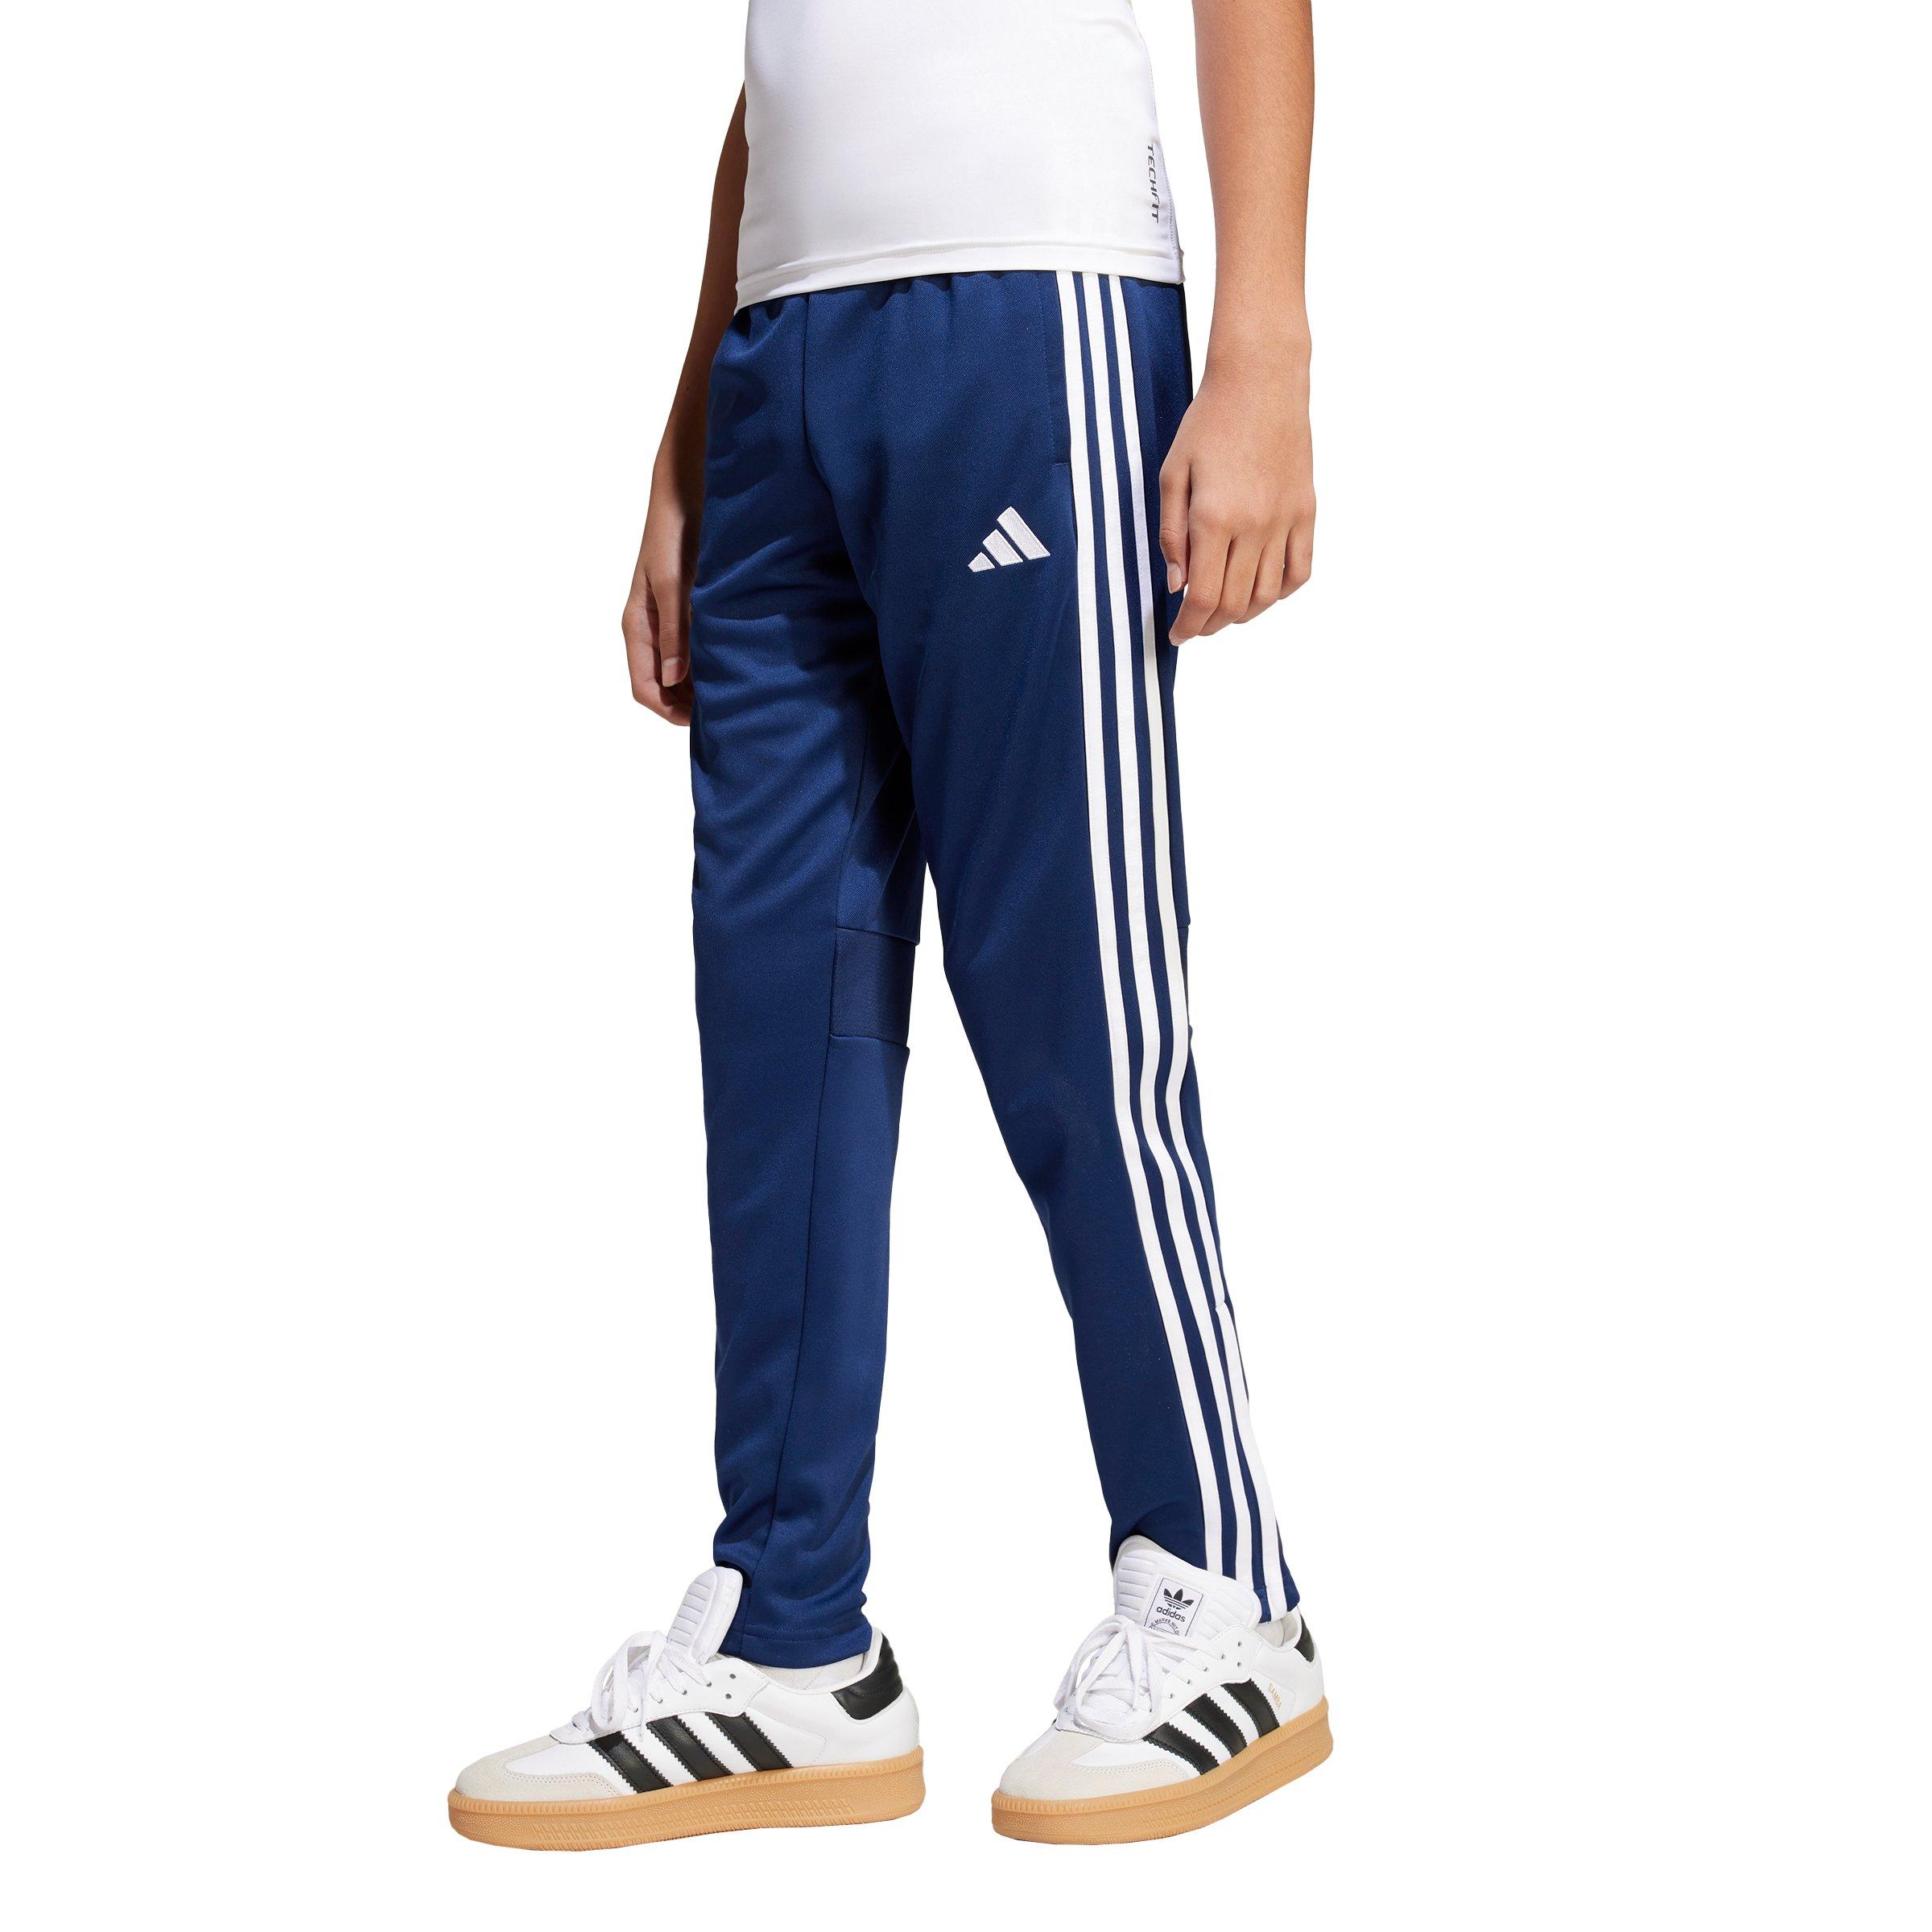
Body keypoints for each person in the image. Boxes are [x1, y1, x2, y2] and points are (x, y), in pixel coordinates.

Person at [449, 0, 1326, 1850]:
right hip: (783, 364)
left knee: (1071, 992)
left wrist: (1263, 346)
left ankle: (1225, 1588)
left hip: (1026, 301)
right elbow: (788, 68)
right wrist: (692, 431)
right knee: (788, 1017)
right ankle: (792, 1639)